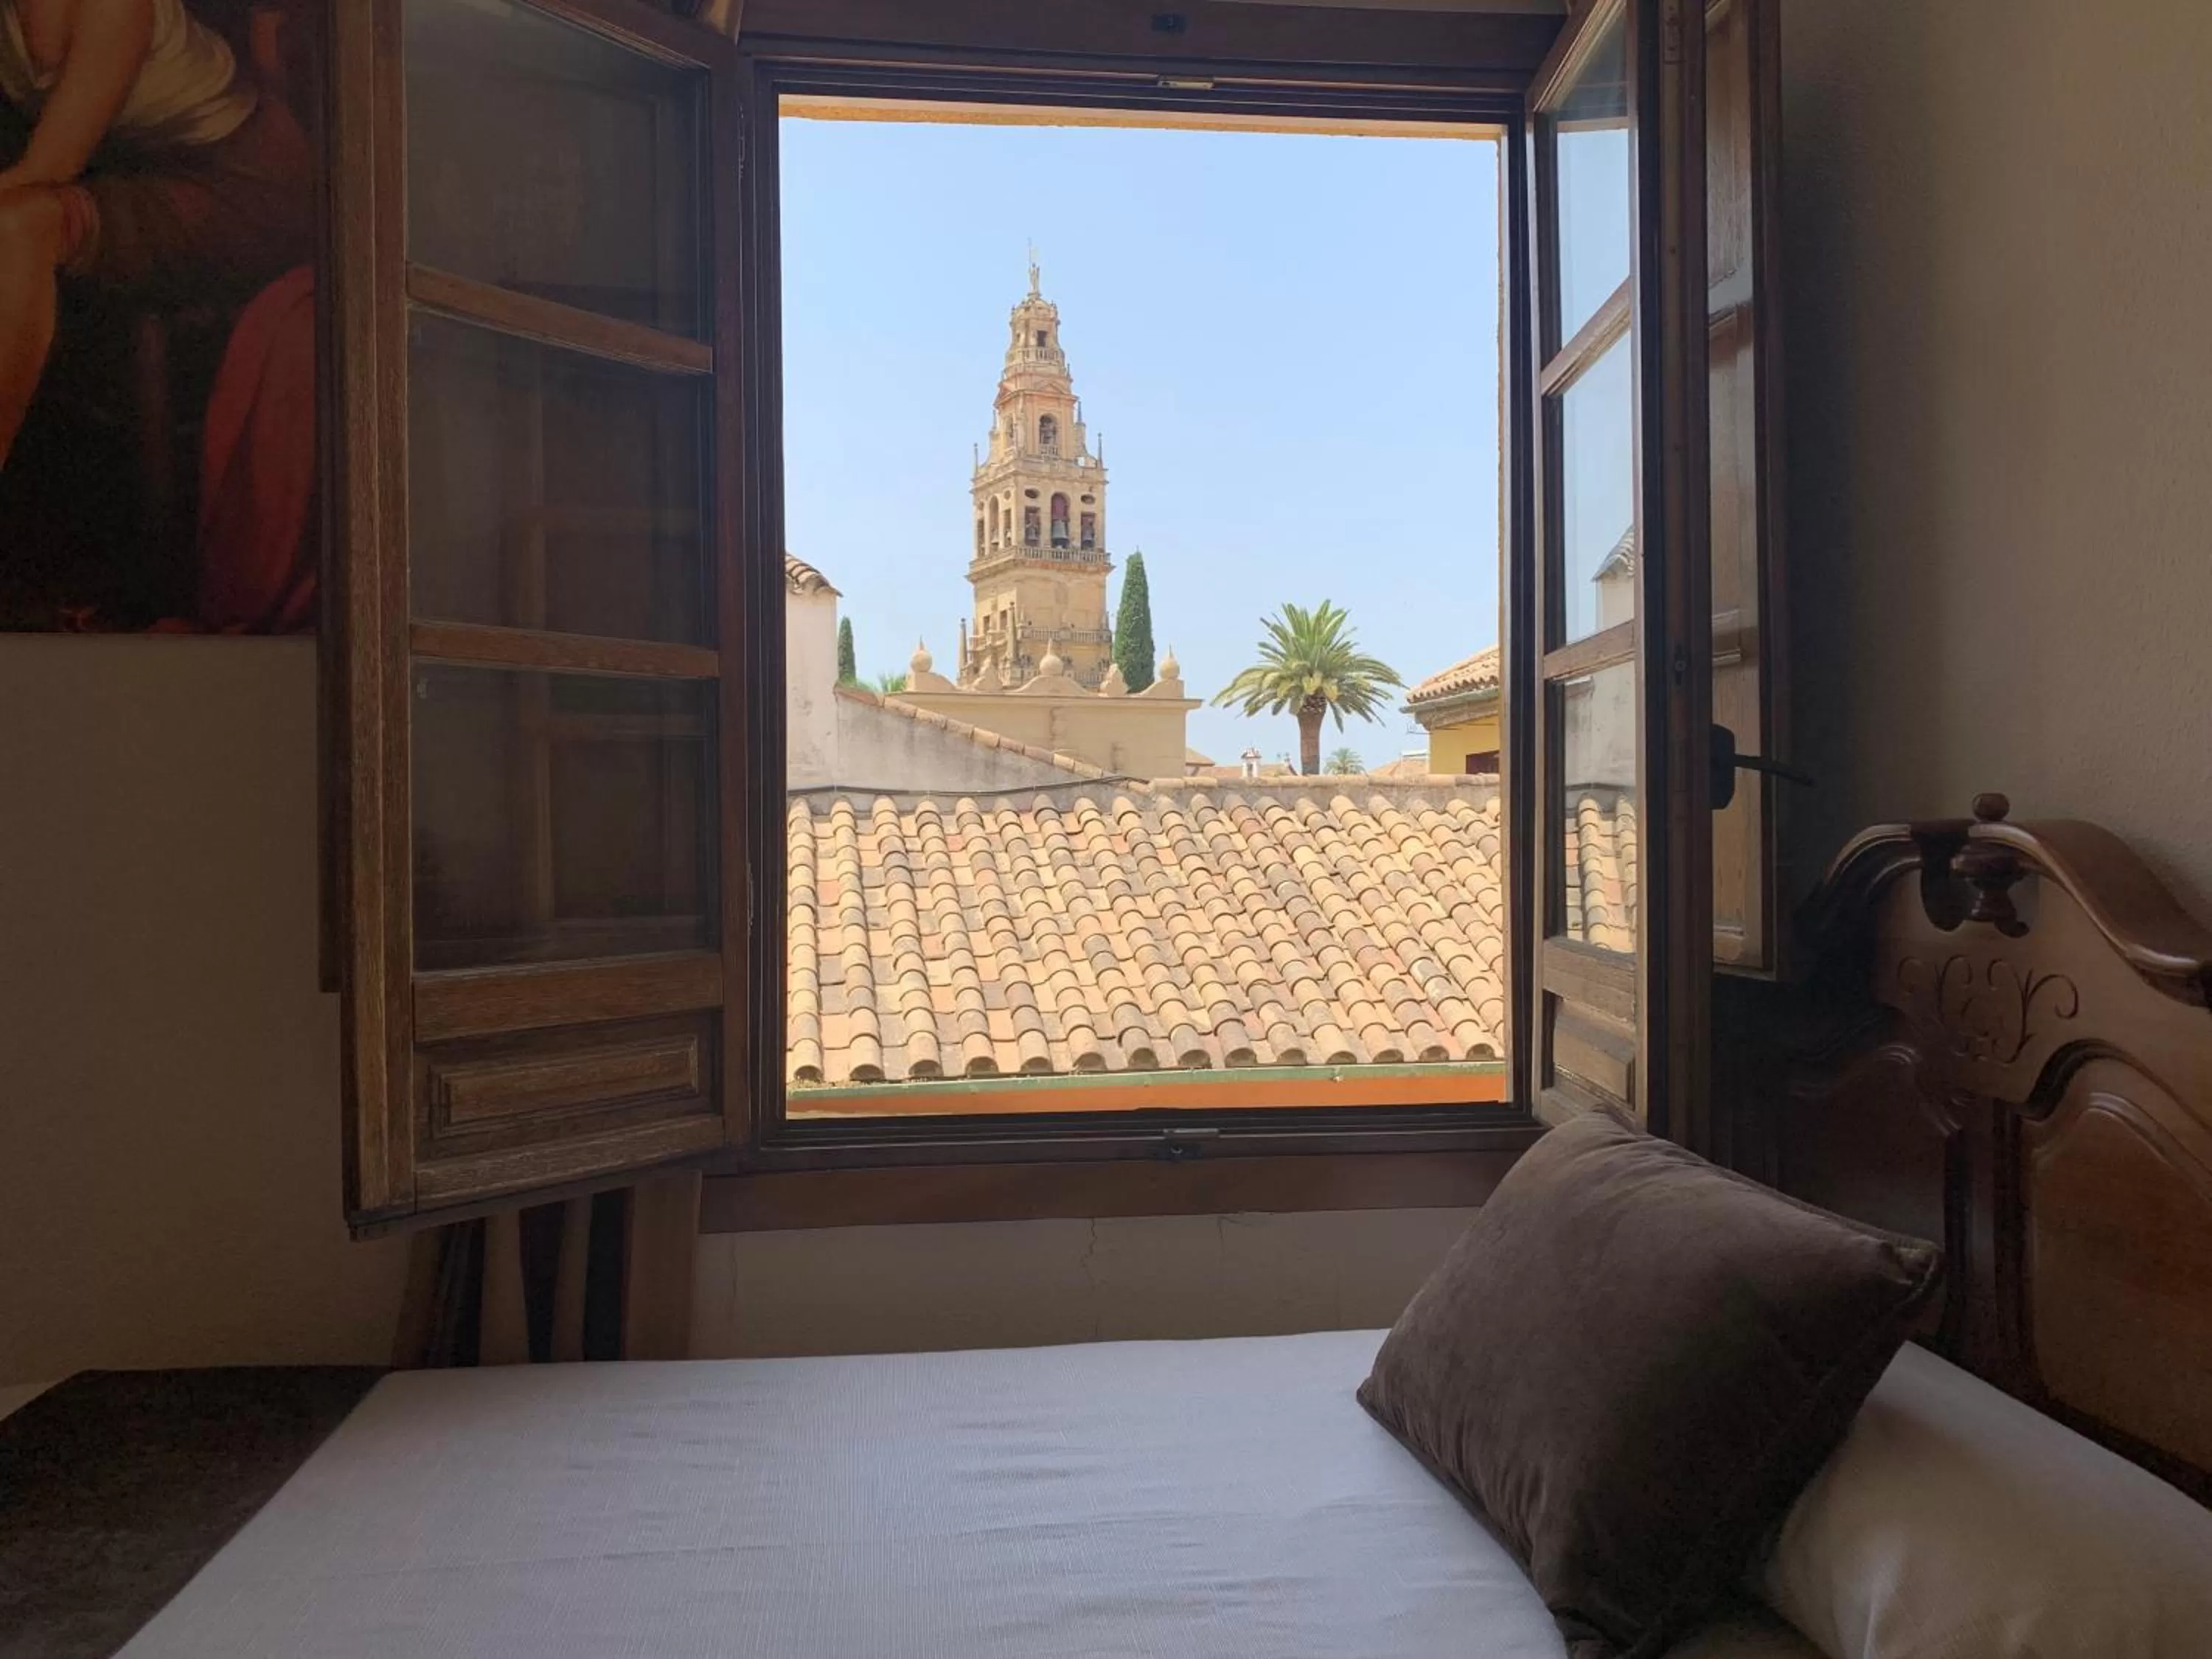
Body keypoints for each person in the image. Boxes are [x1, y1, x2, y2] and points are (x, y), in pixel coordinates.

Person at [0, 0, 311, 469]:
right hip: (144, 183)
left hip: (245, 183)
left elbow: (49, 168)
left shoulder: (115, 9)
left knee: (19, 226)